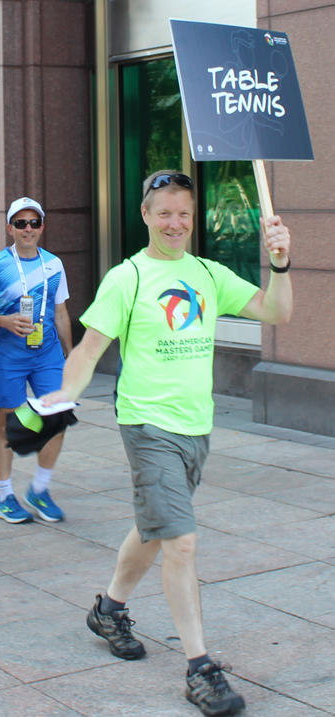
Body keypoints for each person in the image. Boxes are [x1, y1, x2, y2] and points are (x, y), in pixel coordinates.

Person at [41, 170, 293, 716]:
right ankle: (200, 669)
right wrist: (62, 394)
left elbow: (278, 313)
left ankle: (108, 609)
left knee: (156, 529)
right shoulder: (127, 278)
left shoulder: (208, 273)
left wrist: (279, 261)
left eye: (183, 213)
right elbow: (88, 350)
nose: (174, 223)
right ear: (146, 215)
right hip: (147, 424)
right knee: (181, 541)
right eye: (164, 213)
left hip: (196, 426)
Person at [0, 196, 73, 524]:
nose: (28, 229)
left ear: (42, 227)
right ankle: (4, 496)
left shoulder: (53, 264)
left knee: (57, 418)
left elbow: (60, 312)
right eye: (21, 223)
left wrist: (72, 355)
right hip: (7, 356)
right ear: (10, 227)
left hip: (47, 355)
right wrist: (5, 321)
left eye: (34, 223)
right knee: (7, 426)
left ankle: (39, 489)